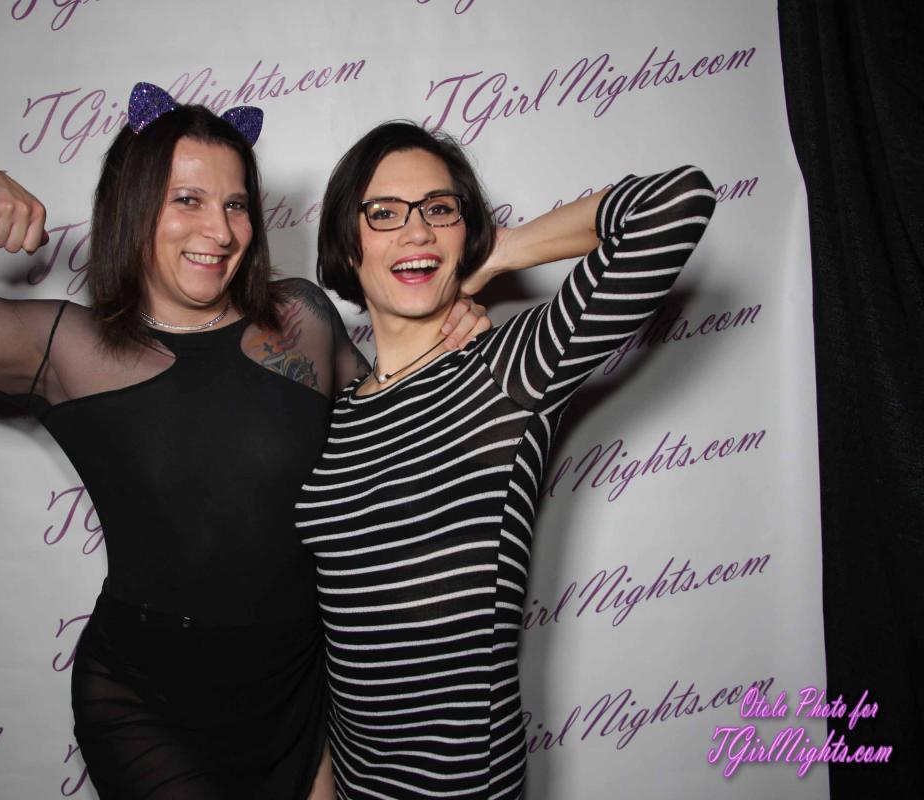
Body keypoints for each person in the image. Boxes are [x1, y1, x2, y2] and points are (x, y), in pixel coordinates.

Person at [0, 86, 490, 800]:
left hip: (297, 691)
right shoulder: (67, 348)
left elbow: (382, 437)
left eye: (236, 204)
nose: (220, 230)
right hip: (148, 705)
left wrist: (445, 329)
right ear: (133, 206)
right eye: (187, 200)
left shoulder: (299, 319)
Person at [296, 122, 718, 798]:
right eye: (385, 213)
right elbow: (333, 633)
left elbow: (676, 203)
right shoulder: (337, 410)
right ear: (348, 241)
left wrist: (499, 252)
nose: (417, 231)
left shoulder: (508, 372)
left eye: (440, 209)